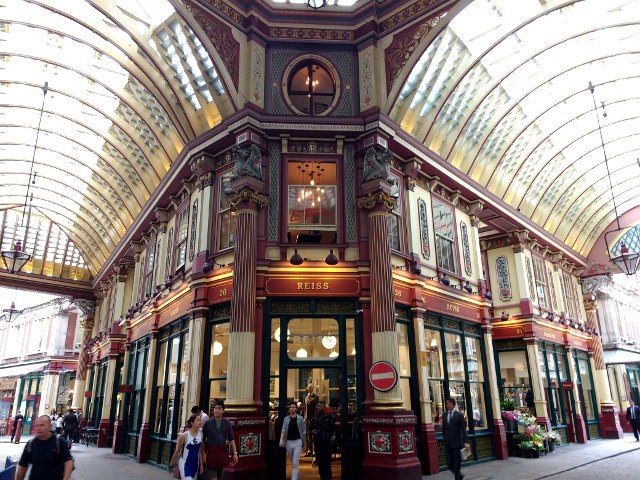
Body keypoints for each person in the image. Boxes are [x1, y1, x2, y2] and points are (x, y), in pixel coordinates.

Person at [16, 415, 73, 480]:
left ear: (49, 426)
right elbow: (22, 467)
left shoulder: (59, 441)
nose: (38, 428)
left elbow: (68, 462)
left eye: (42, 425)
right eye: (36, 425)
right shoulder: (31, 444)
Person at [202, 400, 238, 480]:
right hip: (211, 455)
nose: (217, 410)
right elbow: (203, 440)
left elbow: (231, 439)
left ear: (223, 411)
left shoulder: (227, 423)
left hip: (221, 455)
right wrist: (203, 453)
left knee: (220, 477)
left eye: (219, 408)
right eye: (215, 408)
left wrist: (235, 453)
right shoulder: (208, 423)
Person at [168, 413, 204, 480]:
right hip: (185, 464)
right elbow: (177, 451)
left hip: (195, 465)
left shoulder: (201, 435)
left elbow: (200, 451)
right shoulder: (184, 436)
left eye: (200, 420)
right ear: (192, 423)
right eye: (198, 420)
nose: (200, 422)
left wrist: (201, 465)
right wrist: (170, 464)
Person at [442, 397, 469, 480]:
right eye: (447, 404)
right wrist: (444, 437)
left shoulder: (459, 415)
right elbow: (444, 428)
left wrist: (465, 442)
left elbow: (463, 430)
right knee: (449, 462)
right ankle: (459, 476)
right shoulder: (444, 415)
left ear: (453, 405)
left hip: (457, 443)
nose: (448, 405)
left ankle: (457, 477)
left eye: (450, 404)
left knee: (457, 463)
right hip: (448, 443)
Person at [279, 401, 306, 480]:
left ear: (296, 409)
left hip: (298, 441)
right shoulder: (286, 419)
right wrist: (281, 439)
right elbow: (283, 430)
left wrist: (305, 444)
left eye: (293, 407)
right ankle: (297, 478)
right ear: (289, 409)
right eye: (290, 407)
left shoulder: (300, 419)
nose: (292, 409)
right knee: (293, 463)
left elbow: (304, 432)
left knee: (294, 463)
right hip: (289, 442)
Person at [309, 400, 335, 480]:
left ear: (324, 408)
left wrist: (334, 435)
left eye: (319, 406)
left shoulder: (330, 418)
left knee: (327, 464)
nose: (317, 408)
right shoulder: (314, 418)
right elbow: (310, 429)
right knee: (320, 464)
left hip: (327, 444)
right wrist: (312, 432)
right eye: (317, 406)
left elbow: (333, 429)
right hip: (318, 443)